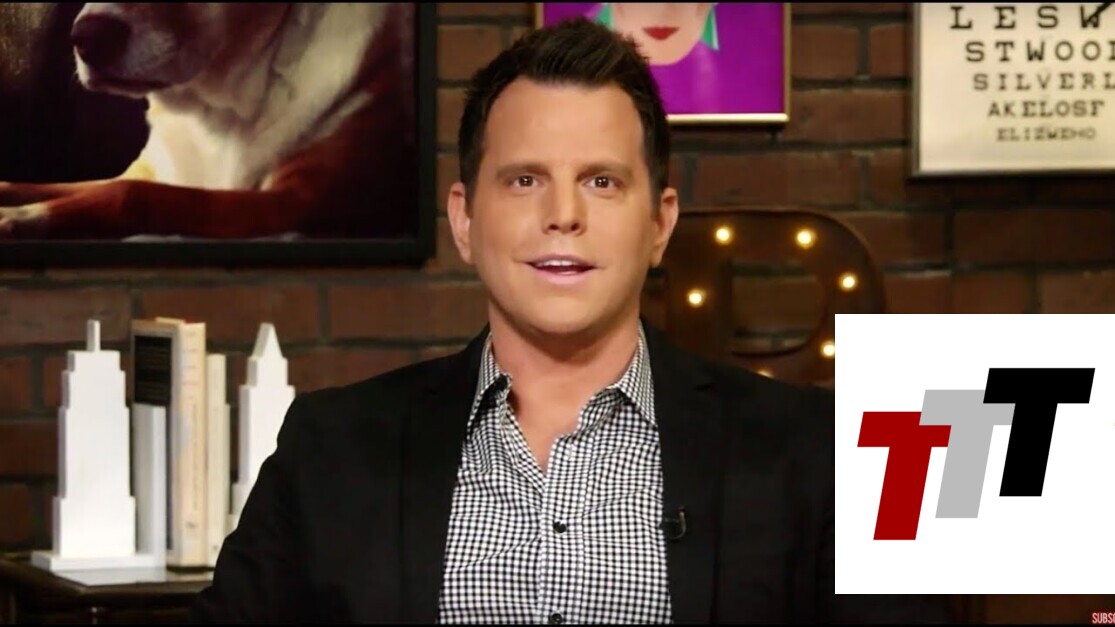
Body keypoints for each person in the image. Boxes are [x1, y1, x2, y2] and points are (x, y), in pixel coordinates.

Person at [191, 17, 953, 624]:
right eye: (524, 180)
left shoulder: (818, 455)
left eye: (601, 181)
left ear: (658, 223)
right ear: (465, 219)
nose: (563, 214)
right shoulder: (328, 450)